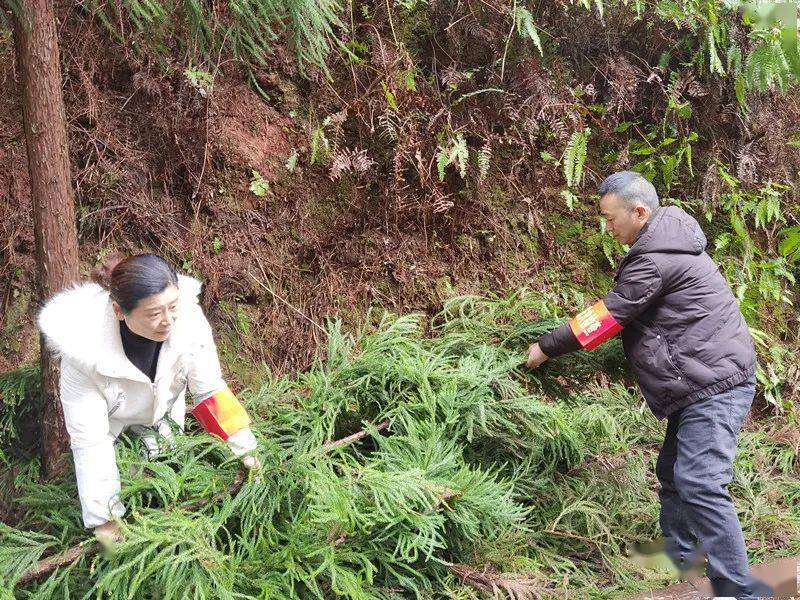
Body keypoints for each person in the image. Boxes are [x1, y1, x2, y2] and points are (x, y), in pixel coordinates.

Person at [525, 172, 774, 599]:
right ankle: (680, 561)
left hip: (714, 384)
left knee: (700, 482)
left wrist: (546, 347)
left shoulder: (657, 257)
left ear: (639, 212)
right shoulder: (665, 245)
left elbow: (609, 316)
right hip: (698, 380)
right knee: (673, 474)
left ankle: (738, 590)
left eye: (610, 218)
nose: (608, 228)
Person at [38, 253, 259, 545]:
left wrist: (245, 449)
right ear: (119, 311)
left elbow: (210, 392)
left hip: (165, 418)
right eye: (154, 313)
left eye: (172, 306)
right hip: (116, 434)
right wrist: (105, 517)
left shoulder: (189, 322)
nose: (167, 321)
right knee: (127, 490)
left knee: (165, 482)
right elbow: (91, 441)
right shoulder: (83, 355)